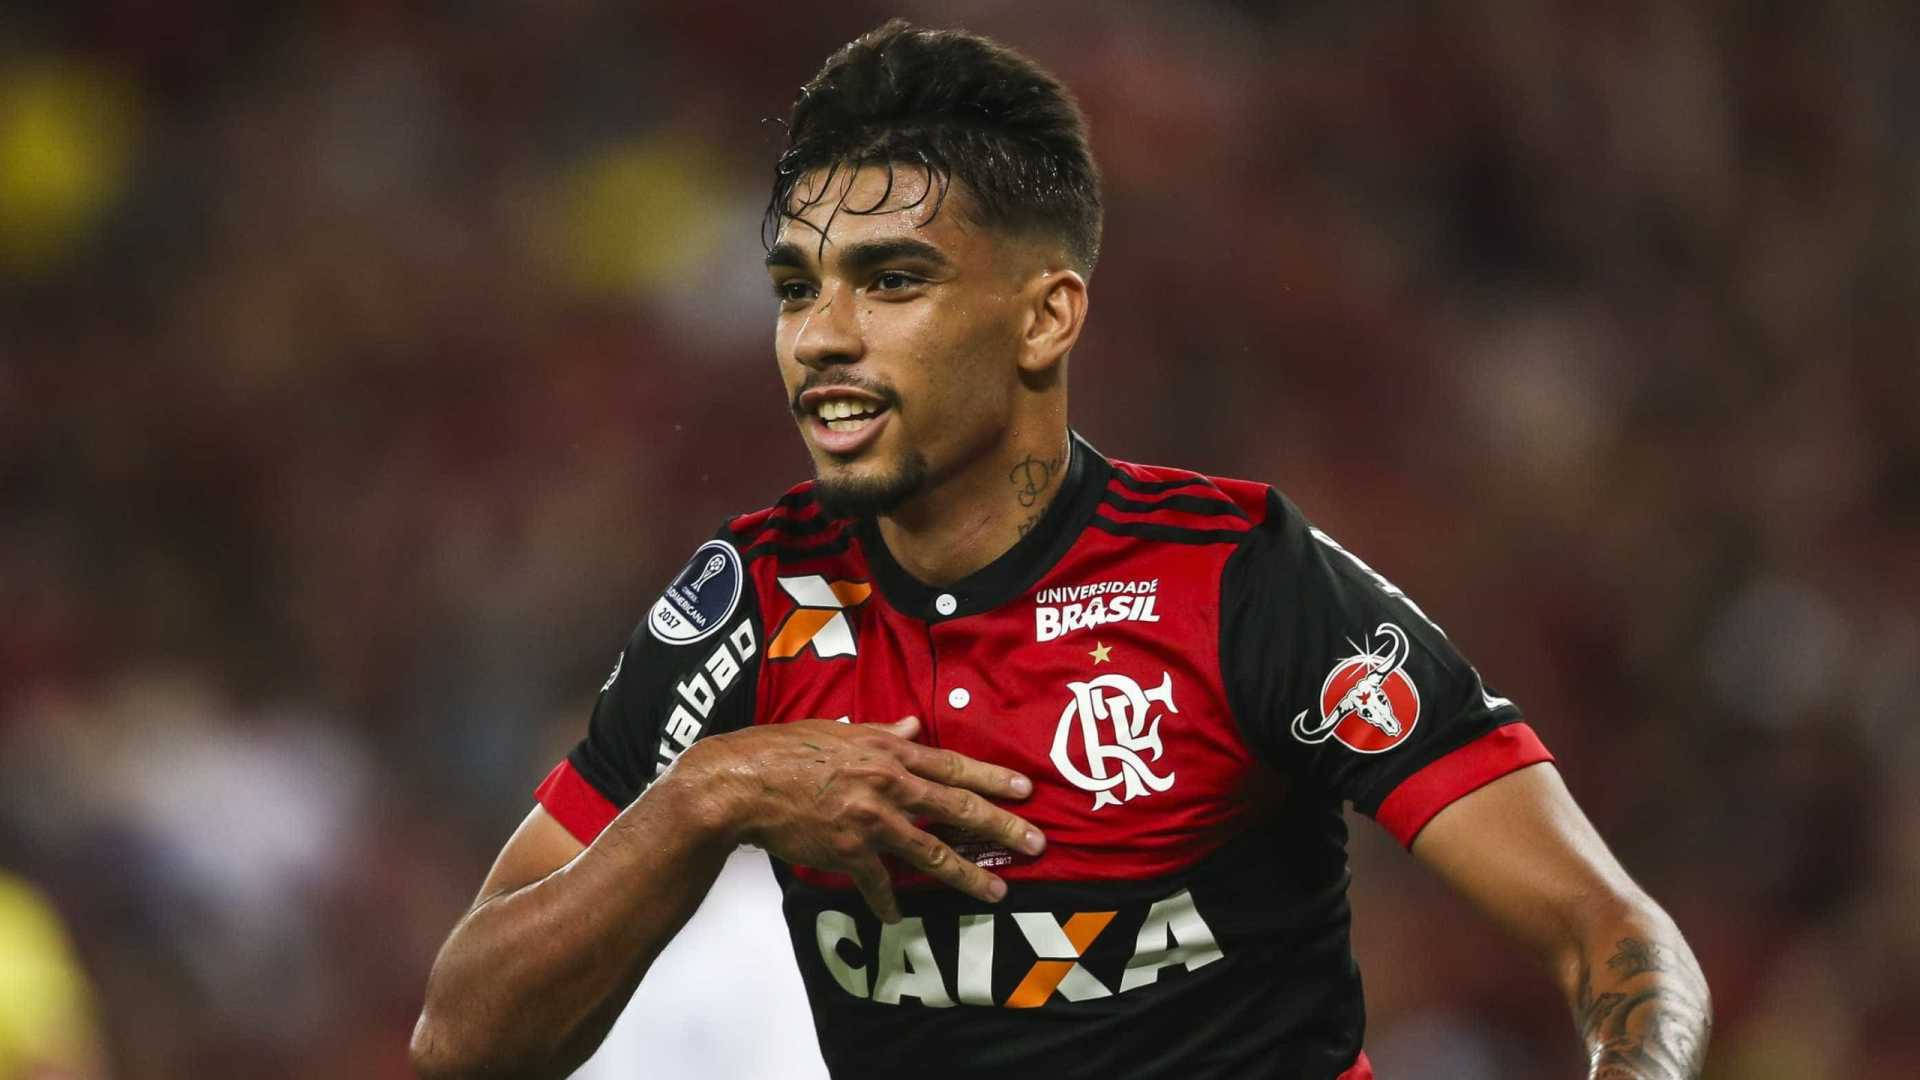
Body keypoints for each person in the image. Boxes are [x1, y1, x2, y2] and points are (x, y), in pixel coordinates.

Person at [410, 20, 1710, 1080]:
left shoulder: (1238, 582)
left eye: (893, 281)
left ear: (1044, 317)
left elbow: (1615, 937)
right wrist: (704, 802)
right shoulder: (752, 603)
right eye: (799, 287)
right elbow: (464, 1038)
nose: (822, 336)